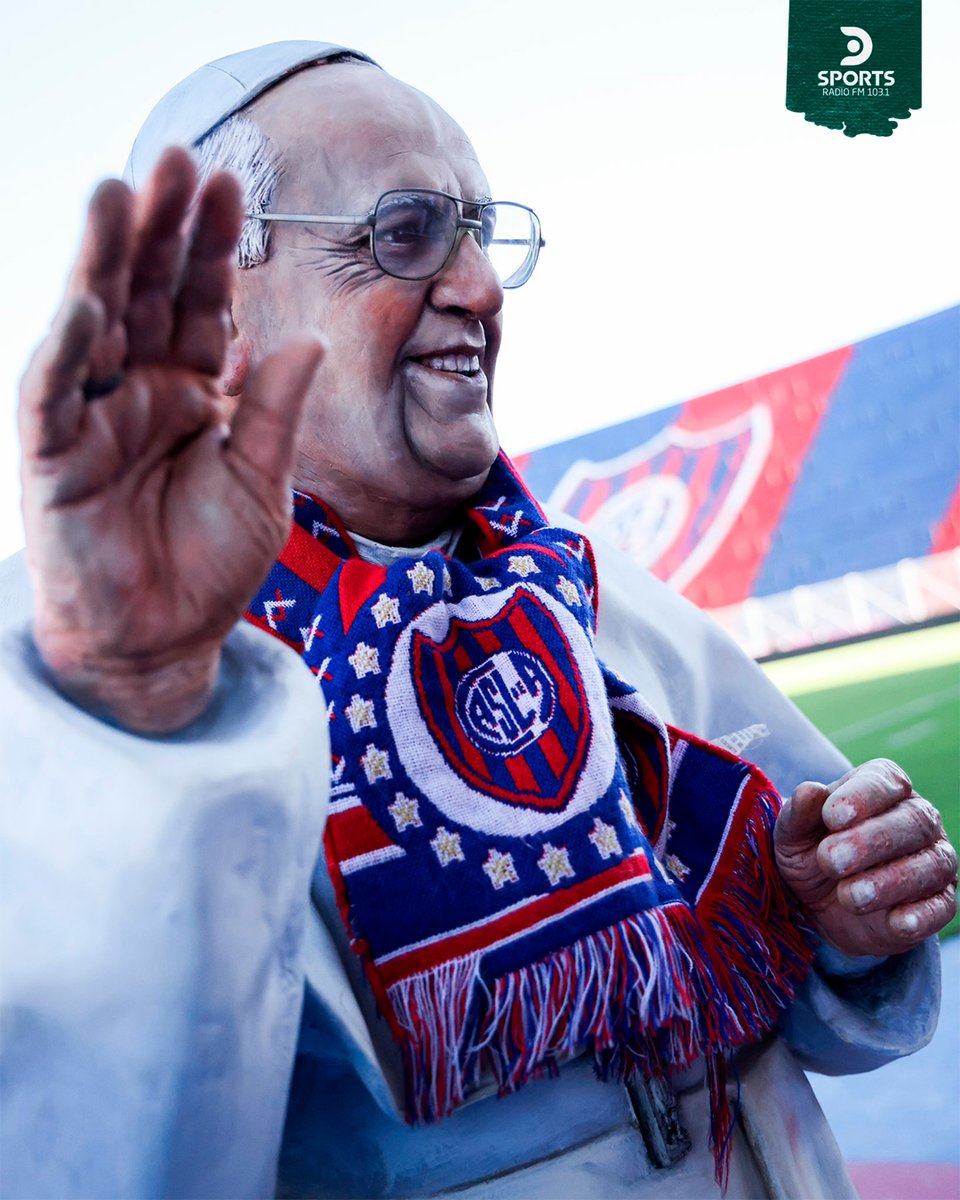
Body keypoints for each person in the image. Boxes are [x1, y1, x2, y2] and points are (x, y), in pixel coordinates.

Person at [1, 40, 956, 1200]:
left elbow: (799, 1035)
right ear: (215, 308)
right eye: (402, 231)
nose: (482, 287)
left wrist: (838, 929)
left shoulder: (598, 592)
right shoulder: (76, 690)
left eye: (478, 230)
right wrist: (138, 702)